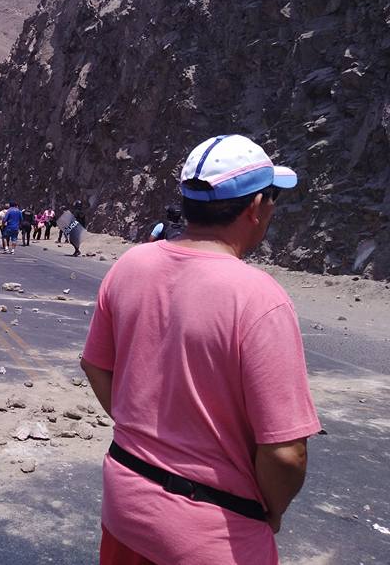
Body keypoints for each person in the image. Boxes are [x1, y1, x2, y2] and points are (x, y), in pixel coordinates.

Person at [80, 135, 319, 564]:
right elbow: (286, 454)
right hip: (213, 532)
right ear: (255, 207)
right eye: (273, 198)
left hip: (127, 502)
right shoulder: (259, 298)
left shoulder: (131, 264)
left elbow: (95, 365)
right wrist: (272, 510)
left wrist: (138, 428)